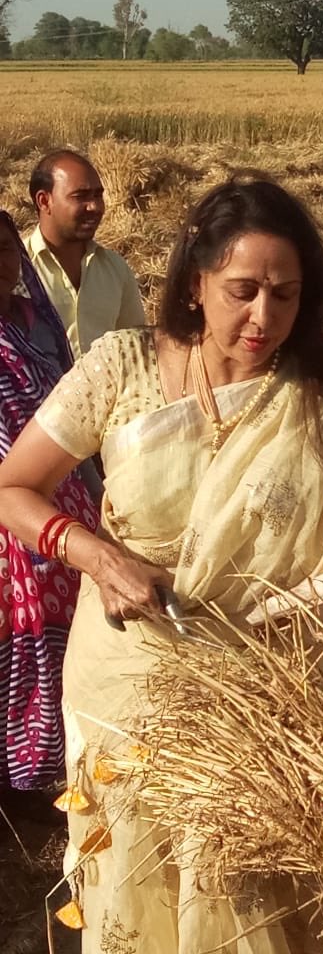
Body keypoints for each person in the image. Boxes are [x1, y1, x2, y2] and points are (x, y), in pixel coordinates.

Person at [0, 175, 323, 953]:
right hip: (122, 680)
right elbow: (13, 486)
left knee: (239, 883)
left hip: (254, 690)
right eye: (242, 290)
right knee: (132, 875)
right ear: (195, 283)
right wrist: (97, 556)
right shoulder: (121, 368)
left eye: (286, 295)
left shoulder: (314, 406)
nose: (263, 317)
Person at [0, 211, 99, 800]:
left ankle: (42, 773)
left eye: (6, 250)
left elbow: (71, 410)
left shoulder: (37, 324)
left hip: (53, 499)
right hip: (9, 508)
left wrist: (96, 486)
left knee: (66, 631)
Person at [24, 149, 146, 359]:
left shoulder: (115, 269)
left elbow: (135, 347)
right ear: (44, 201)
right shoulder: (16, 269)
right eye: (80, 197)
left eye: (98, 195)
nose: (95, 207)